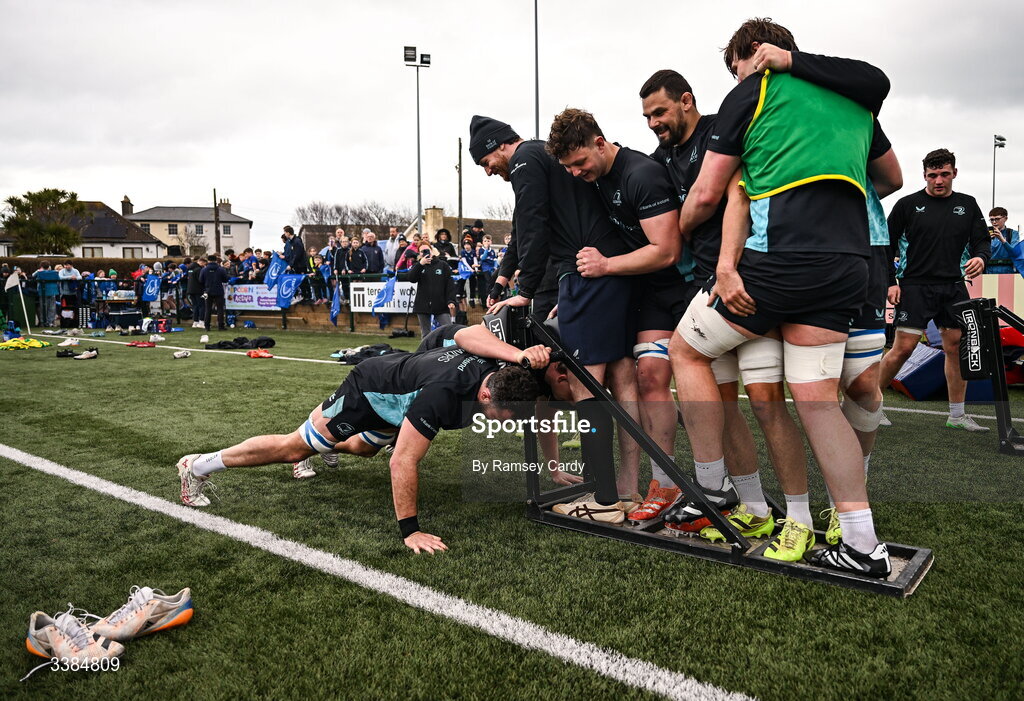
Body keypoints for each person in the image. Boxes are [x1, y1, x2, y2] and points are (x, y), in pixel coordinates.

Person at [669, 18, 895, 576]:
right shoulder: (852, 96)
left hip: (778, 265)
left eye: (734, 65)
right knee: (817, 402)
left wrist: (679, 233)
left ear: (753, 54)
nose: (736, 75)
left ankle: (712, 488)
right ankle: (864, 545)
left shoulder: (754, 89)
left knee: (687, 351)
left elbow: (707, 194)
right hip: (848, 264)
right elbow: (888, 177)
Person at [176, 344, 549, 554]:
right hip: (368, 389)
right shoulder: (442, 396)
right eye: (503, 417)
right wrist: (410, 531)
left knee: (367, 450)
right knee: (295, 447)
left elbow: (460, 332)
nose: (506, 424)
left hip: (400, 390)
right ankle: (197, 466)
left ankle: (328, 446)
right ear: (485, 394)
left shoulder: (499, 368)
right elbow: (403, 462)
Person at [471, 114, 643, 520]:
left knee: (585, 386)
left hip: (584, 273)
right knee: (622, 378)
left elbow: (533, 225)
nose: (488, 171)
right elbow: (522, 228)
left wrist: (525, 291)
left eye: (485, 162)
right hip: (608, 268)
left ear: (499, 145)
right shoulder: (539, 158)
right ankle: (628, 489)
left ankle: (603, 501)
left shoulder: (528, 157)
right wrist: (502, 279)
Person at [545, 107, 686, 521]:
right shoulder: (601, 176)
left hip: (669, 289)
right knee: (633, 379)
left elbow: (667, 250)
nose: (575, 173)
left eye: (580, 162)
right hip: (635, 292)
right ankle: (626, 488)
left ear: (600, 143)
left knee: (614, 381)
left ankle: (621, 492)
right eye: (567, 167)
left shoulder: (639, 173)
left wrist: (605, 267)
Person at [878, 149, 990, 431]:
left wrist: (981, 258)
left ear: (954, 172)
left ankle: (956, 415)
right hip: (915, 286)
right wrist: (891, 281)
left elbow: (981, 242)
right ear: (924, 175)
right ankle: (870, 404)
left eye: (944, 174)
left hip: (953, 288)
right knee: (902, 349)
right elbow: (886, 245)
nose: (938, 180)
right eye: (932, 175)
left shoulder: (968, 204)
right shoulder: (907, 204)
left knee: (955, 348)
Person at [399, 247, 456, 337]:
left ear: (433, 251)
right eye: (422, 251)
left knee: (449, 330)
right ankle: (426, 351)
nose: (425, 253)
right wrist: (420, 264)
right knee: (426, 334)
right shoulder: (418, 265)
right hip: (422, 304)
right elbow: (411, 278)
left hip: (440, 304)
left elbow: (450, 285)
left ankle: (448, 350)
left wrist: (451, 300)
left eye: (427, 250)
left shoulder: (443, 265)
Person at [199, 255, 229, 331]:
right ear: (216, 260)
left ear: (208, 260)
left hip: (207, 291)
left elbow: (200, 280)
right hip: (219, 290)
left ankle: (207, 326)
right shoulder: (221, 269)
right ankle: (221, 326)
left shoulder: (204, 270)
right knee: (220, 309)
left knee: (208, 309)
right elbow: (225, 279)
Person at [985, 207, 1019, 274]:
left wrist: (1002, 240)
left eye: (997, 219)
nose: (994, 222)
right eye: (991, 220)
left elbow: (1015, 253)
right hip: (988, 272)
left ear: (1005, 218)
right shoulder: (986, 234)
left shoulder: (1013, 234)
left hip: (1008, 272)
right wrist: (985, 240)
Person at [32, 261, 60, 327]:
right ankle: (51, 322)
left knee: (43, 308)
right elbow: (58, 279)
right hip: (53, 291)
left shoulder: (39, 273)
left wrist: (38, 270)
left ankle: (43, 322)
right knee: (52, 308)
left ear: (41, 267)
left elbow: (33, 275)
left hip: (43, 292)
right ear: (49, 266)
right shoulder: (55, 272)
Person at [186, 256, 206, 328]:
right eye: (204, 263)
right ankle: (201, 321)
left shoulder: (190, 269)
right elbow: (201, 280)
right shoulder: (199, 269)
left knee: (195, 306)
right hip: (198, 289)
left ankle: (195, 322)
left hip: (190, 289)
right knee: (201, 305)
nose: (204, 265)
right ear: (201, 262)